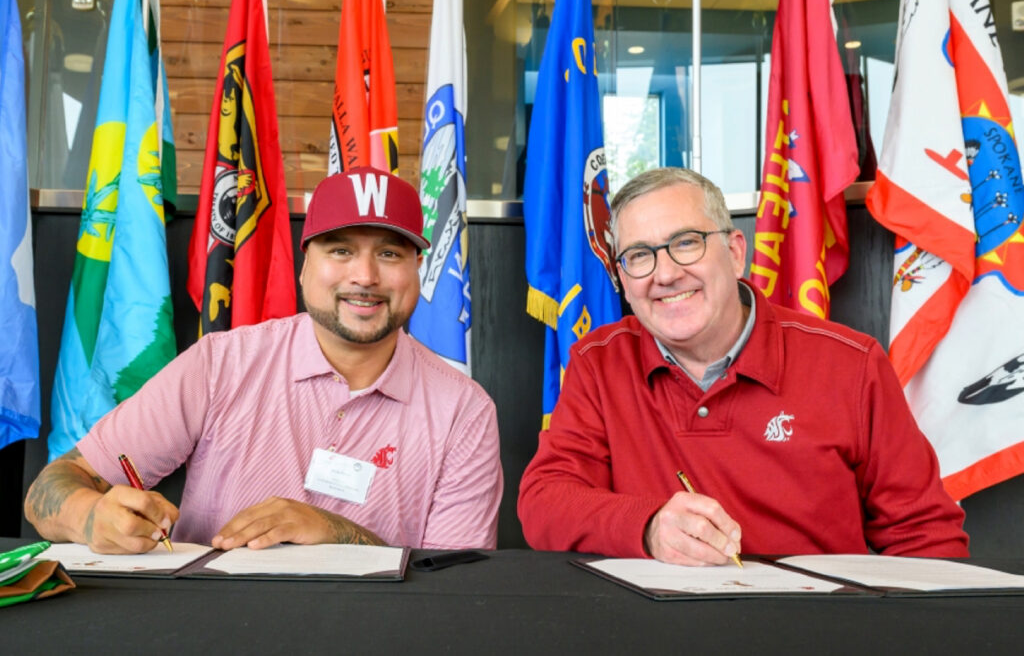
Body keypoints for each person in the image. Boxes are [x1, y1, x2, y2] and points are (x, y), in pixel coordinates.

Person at [25, 167, 502, 554]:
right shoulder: (220, 365)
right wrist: (90, 516)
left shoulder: (464, 410)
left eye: (390, 253)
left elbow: (455, 587)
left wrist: (337, 532)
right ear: (304, 266)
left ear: (417, 272)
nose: (365, 275)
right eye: (340, 250)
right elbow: (51, 487)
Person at [517, 167, 969, 565]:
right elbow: (544, 503)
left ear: (736, 253)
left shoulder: (850, 364)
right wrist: (649, 526)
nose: (666, 273)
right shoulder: (599, 363)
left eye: (686, 243)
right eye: (639, 255)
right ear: (622, 279)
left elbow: (928, 538)